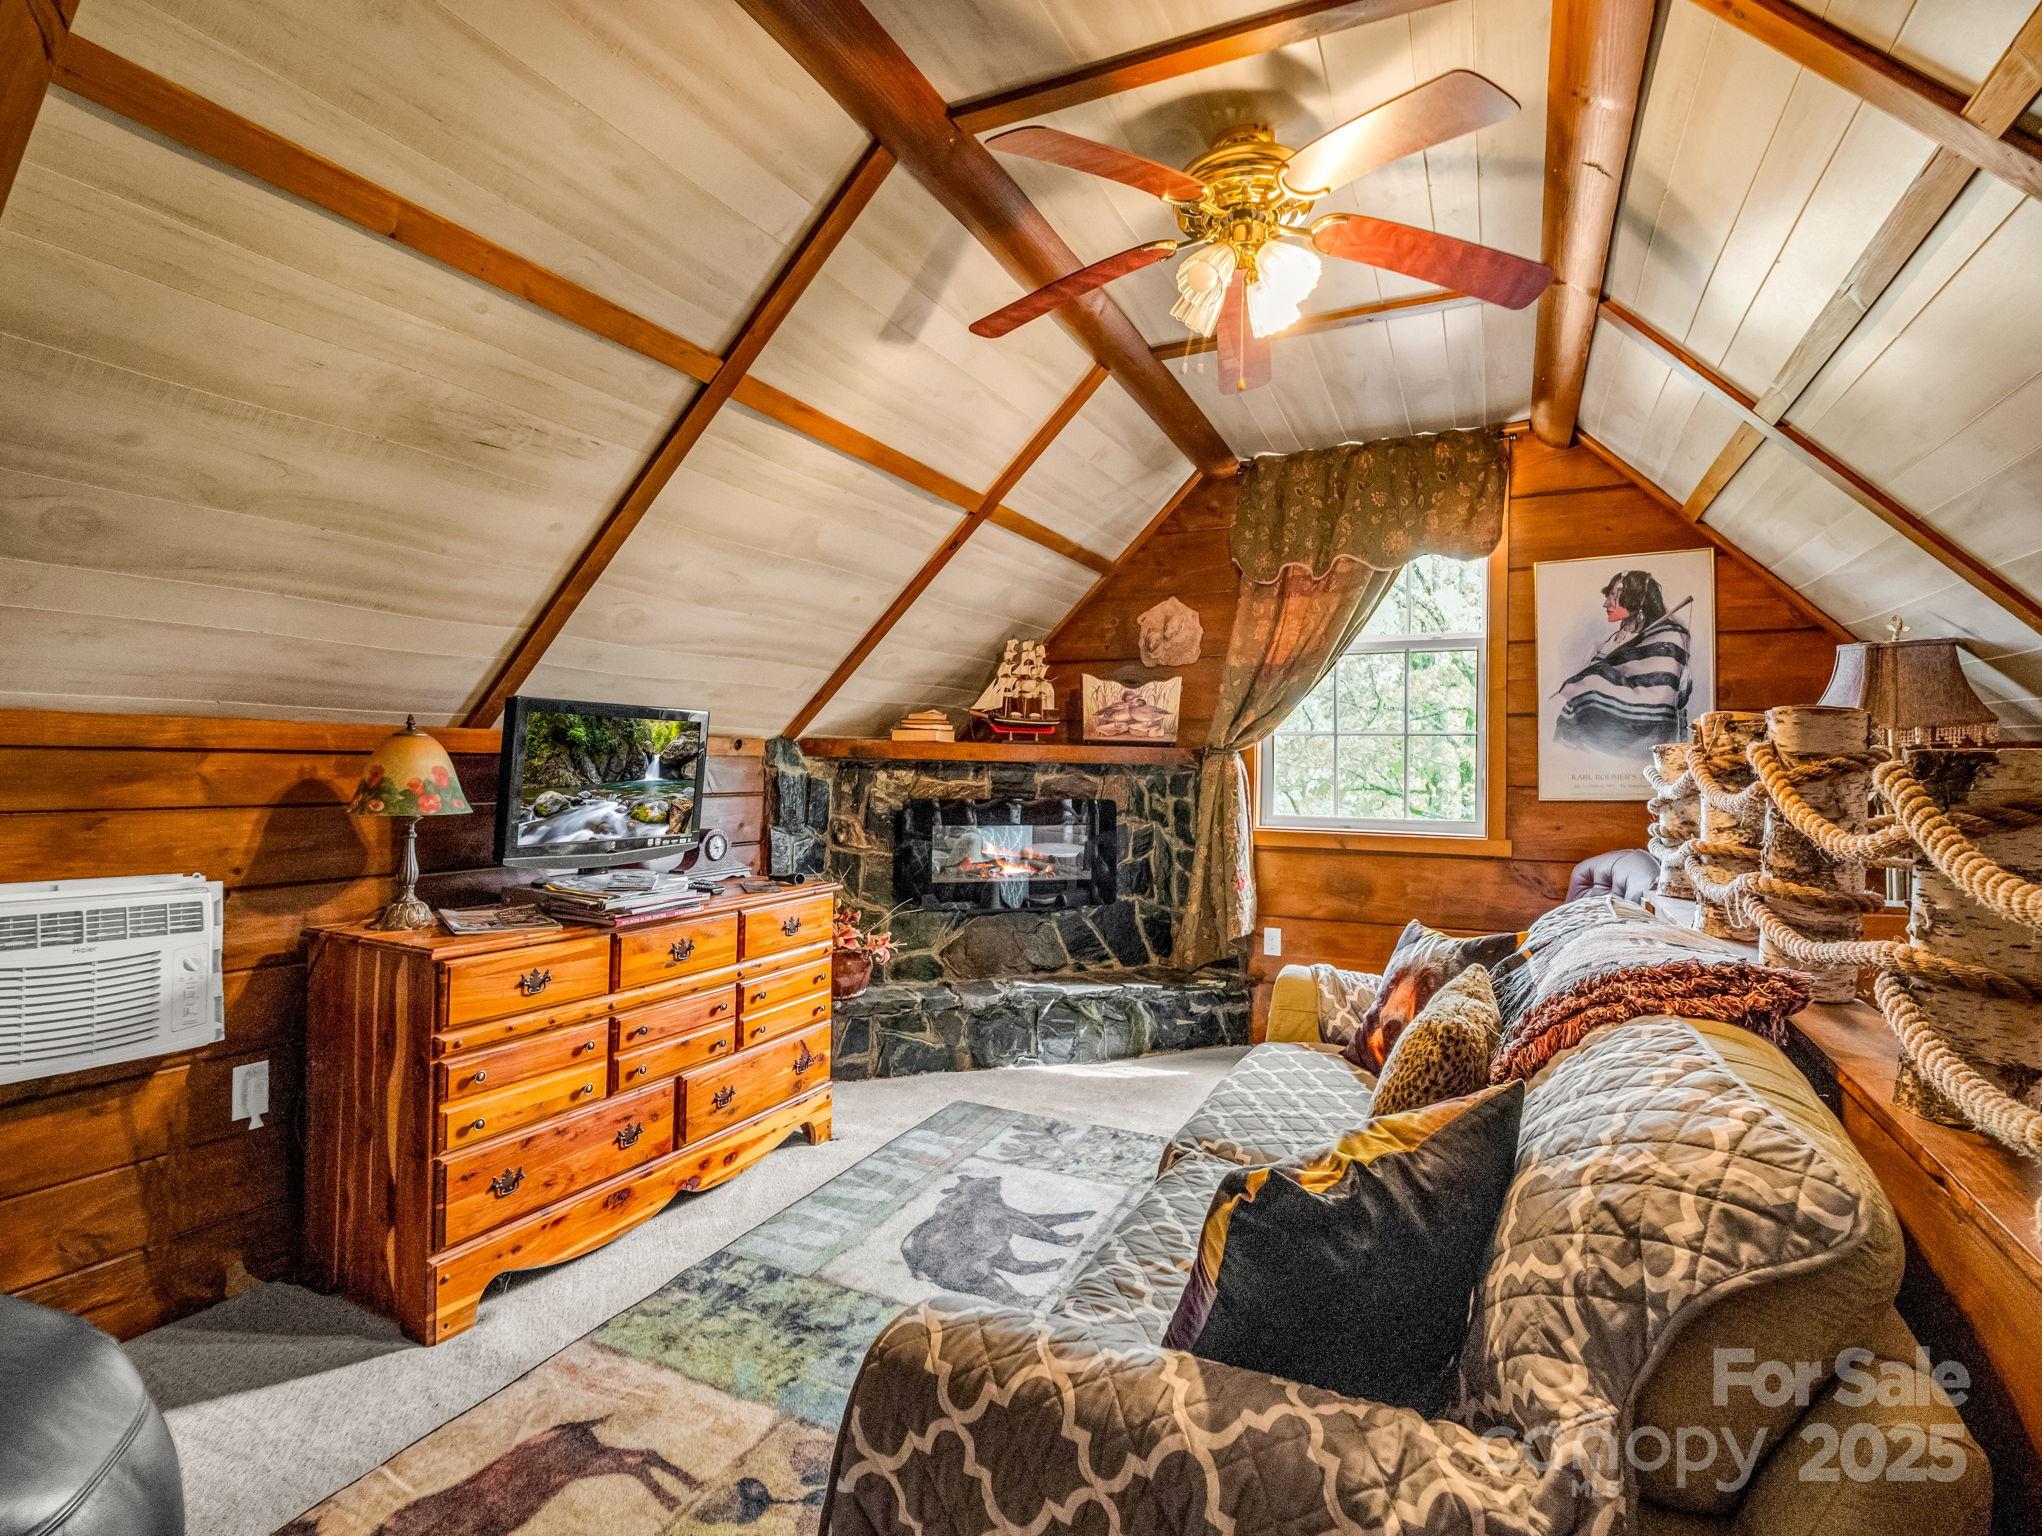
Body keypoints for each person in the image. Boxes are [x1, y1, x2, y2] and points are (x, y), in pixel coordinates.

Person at [1552, 570, 1693, 757]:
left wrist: (1592, 682)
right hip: (1590, 744)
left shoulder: (1669, 637)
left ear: (1636, 598)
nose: (1606, 603)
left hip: (1642, 747)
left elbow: (1659, 699)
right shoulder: (1612, 640)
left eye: (1614, 596)